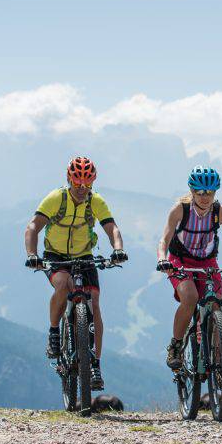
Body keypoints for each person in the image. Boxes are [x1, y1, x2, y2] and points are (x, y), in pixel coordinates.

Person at [24, 156, 128, 390]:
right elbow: (33, 227)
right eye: (78, 183)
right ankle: (53, 332)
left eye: (87, 184)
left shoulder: (96, 202)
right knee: (63, 284)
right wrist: (32, 254)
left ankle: (94, 365)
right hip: (56, 256)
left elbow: (112, 227)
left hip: (84, 256)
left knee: (94, 303)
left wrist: (118, 249)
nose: (82, 189)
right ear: (69, 179)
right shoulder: (56, 198)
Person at [156, 166, 222, 370]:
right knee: (190, 297)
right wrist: (162, 260)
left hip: (207, 262)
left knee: (216, 304)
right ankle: (176, 346)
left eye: (210, 193)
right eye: (200, 192)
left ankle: (219, 364)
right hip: (180, 260)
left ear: (215, 192)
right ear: (192, 191)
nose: (205, 197)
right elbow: (164, 240)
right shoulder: (180, 210)